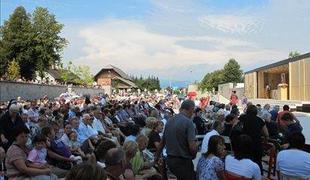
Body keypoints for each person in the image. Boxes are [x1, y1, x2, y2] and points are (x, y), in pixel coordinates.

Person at [158, 100, 197, 180]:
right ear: (191, 109)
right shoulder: (188, 123)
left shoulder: (169, 121)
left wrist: (156, 158)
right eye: (193, 111)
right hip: (183, 162)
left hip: (170, 161)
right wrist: (194, 154)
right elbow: (192, 147)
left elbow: (162, 143)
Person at [239, 105, 268, 173]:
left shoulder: (241, 118)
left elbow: (235, 128)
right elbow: (266, 134)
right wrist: (265, 142)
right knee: (257, 162)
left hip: (243, 143)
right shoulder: (259, 120)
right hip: (256, 144)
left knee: (243, 161)